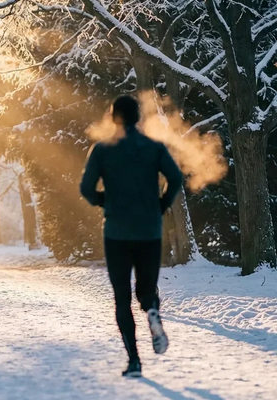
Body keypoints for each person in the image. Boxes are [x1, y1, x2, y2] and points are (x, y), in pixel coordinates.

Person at [80, 95, 183, 378]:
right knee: (147, 288)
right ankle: (152, 310)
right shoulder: (154, 147)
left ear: (113, 117)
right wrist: (161, 205)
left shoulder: (102, 150)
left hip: (117, 232)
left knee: (122, 297)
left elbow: (86, 188)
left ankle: (134, 361)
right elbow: (175, 178)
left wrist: (104, 201)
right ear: (138, 117)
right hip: (149, 230)